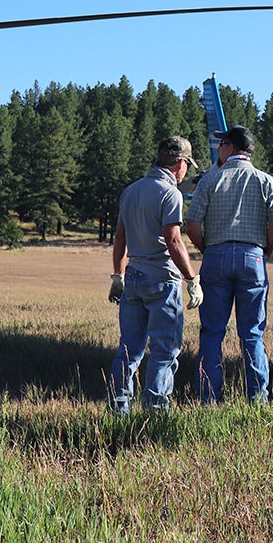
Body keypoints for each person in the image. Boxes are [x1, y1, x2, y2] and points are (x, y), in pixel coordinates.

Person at [185, 125, 273, 403]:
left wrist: (207, 248)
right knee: (252, 333)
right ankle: (257, 398)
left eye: (221, 144)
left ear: (229, 147)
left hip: (216, 254)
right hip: (252, 254)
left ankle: (208, 397)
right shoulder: (267, 181)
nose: (219, 150)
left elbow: (192, 225)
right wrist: (264, 249)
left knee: (212, 332)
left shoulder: (210, 180)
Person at [108, 135, 204, 414]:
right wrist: (191, 279)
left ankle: (118, 409)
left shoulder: (131, 191)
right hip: (162, 280)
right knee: (164, 351)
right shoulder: (170, 193)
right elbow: (173, 240)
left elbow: (120, 239)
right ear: (180, 163)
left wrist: (118, 276)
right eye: (187, 164)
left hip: (133, 278)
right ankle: (156, 411)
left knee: (129, 349)